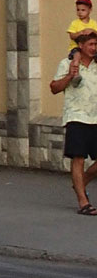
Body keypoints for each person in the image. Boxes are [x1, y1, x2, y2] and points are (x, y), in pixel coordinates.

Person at [50, 30, 97, 215]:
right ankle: (83, 202)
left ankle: (79, 183)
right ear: (81, 47)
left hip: (95, 117)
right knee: (78, 158)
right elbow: (54, 88)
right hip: (76, 117)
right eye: (91, 45)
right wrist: (70, 75)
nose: (94, 48)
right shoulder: (67, 63)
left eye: (96, 44)